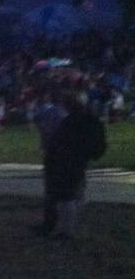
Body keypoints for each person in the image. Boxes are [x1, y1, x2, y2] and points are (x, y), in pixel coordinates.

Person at [37, 92, 106, 239]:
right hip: (80, 159)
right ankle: (68, 226)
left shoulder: (72, 121)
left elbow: (59, 141)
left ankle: (66, 231)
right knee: (75, 193)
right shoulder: (91, 119)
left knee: (66, 197)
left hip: (67, 161)